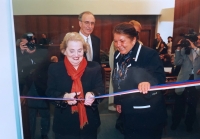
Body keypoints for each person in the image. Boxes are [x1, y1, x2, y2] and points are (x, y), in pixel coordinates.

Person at [112, 22, 167, 139]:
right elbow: (117, 78)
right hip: (128, 111)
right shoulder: (118, 55)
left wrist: (149, 83)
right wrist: (118, 100)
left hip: (148, 114)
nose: (118, 45)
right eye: (115, 41)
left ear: (133, 40)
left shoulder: (149, 54)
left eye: (122, 41)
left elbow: (160, 78)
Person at [45, 32, 104, 139]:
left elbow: (101, 89)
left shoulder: (94, 67)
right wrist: (64, 97)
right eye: (72, 51)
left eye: (79, 50)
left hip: (89, 123)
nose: (76, 55)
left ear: (84, 50)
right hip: (64, 124)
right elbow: (49, 92)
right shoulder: (54, 69)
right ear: (64, 51)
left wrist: (93, 94)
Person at [16, 32, 50, 139]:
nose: (30, 45)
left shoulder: (42, 51)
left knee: (45, 114)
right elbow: (20, 70)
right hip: (28, 88)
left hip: (42, 87)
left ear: (34, 41)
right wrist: (22, 52)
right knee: (30, 115)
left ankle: (44, 134)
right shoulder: (19, 54)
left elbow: (41, 65)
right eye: (25, 43)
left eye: (31, 41)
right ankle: (30, 135)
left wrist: (32, 52)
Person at [171, 34, 200, 132]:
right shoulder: (184, 51)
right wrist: (178, 49)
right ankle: (175, 122)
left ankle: (189, 125)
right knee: (179, 103)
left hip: (195, 80)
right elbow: (177, 63)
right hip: (183, 80)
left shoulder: (198, 50)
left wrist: (195, 48)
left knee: (192, 105)